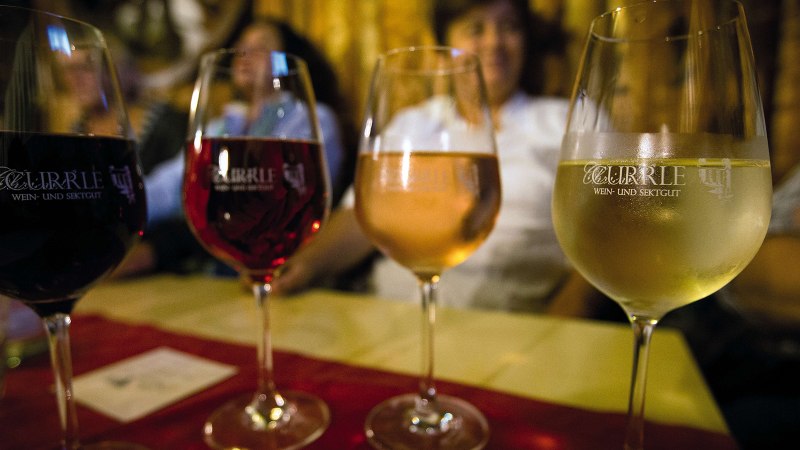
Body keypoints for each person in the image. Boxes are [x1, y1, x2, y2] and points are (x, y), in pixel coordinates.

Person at [272, 0, 602, 315]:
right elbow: (363, 216)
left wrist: (561, 327)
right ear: (444, 48)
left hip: (510, 330)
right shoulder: (411, 123)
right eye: (476, 28)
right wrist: (299, 266)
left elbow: (602, 238)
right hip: (387, 317)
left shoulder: (569, 122)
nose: (494, 42)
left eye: (510, 27)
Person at [114, 17, 354, 277]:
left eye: (260, 47)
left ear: (284, 61)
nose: (246, 55)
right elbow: (172, 185)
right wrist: (117, 208)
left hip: (289, 271)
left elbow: (277, 201)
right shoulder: (220, 127)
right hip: (215, 271)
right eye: (242, 47)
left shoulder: (311, 119)